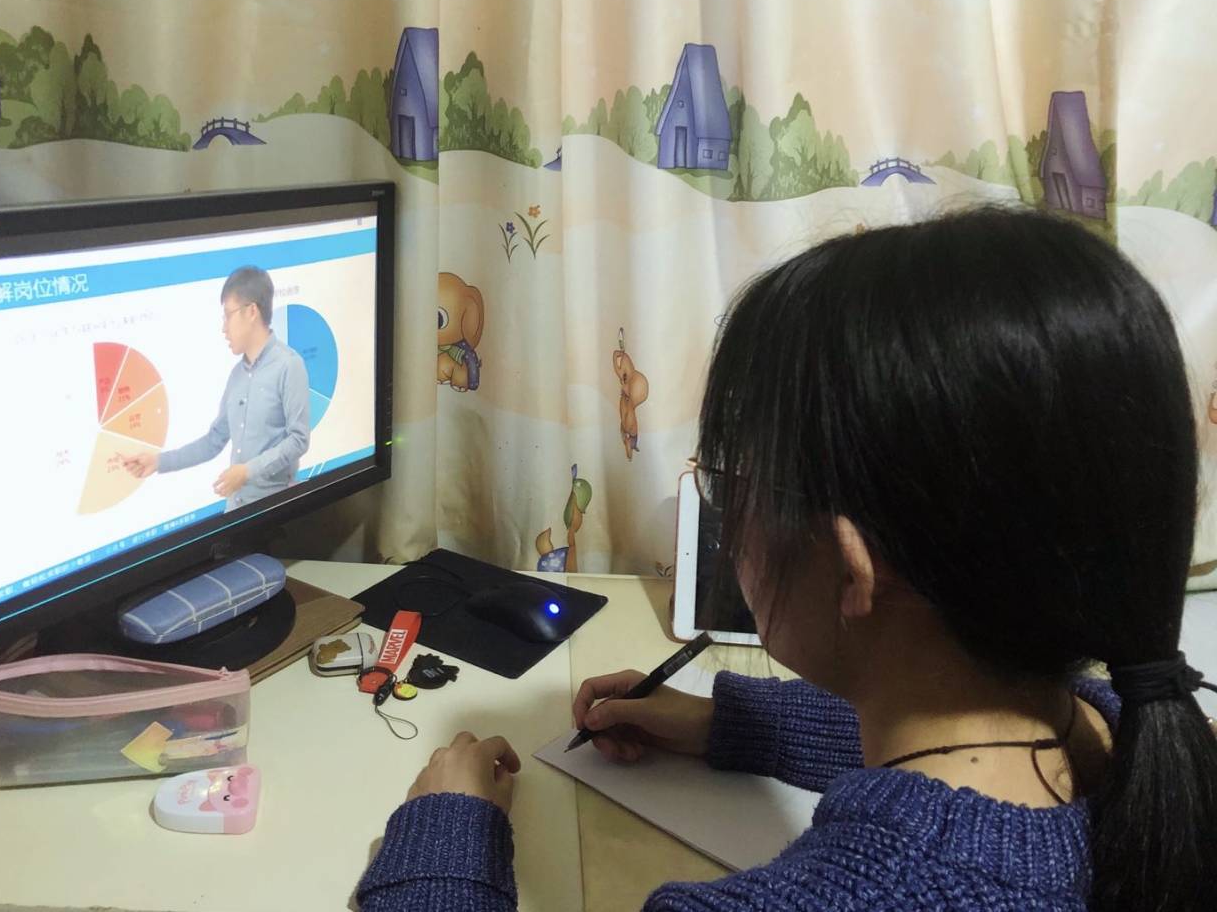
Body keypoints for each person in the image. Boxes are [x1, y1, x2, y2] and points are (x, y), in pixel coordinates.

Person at [354, 208, 1217, 911]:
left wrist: (447, 830)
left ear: (852, 567)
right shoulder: (1130, 735)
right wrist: (730, 724)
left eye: (738, 480)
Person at [122, 265, 310, 511]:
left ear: (251, 311)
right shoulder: (237, 375)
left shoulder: (289, 365)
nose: (224, 327)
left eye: (228, 315)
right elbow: (213, 441)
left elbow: (299, 440)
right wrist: (158, 461)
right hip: (236, 510)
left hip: (275, 509)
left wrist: (247, 472)